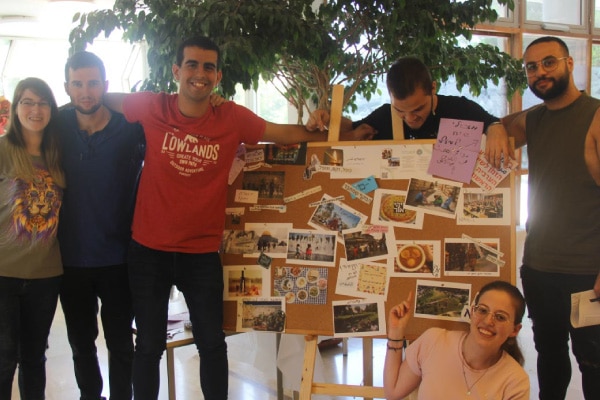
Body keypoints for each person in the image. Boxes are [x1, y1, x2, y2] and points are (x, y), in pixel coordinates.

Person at [99, 36, 369, 399]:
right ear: (176, 70)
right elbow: (103, 99)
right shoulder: (151, 106)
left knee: (212, 344)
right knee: (148, 346)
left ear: (218, 75)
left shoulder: (231, 117)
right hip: (148, 250)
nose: (200, 73)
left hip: (202, 254)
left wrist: (329, 125)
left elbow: (283, 133)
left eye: (208, 67)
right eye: (192, 65)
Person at [486, 36, 600, 400]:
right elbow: (497, 125)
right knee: (549, 355)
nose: (540, 73)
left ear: (569, 64)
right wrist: (495, 128)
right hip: (538, 267)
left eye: (548, 63)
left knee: (593, 361)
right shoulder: (534, 120)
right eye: (531, 67)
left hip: (587, 272)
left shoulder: (596, 116)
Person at [57, 51, 145, 400]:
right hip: (69, 259)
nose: (86, 92)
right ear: (67, 87)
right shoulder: (56, 126)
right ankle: (90, 395)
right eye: (77, 84)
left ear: (106, 87)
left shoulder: (130, 128)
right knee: (81, 343)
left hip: (120, 258)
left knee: (122, 341)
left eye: (93, 83)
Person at [0, 77, 66, 399]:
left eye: (42, 103)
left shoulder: (58, 155)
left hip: (45, 275)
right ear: (16, 107)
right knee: (3, 358)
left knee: (34, 358)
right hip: (3, 273)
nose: (35, 109)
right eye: (28, 102)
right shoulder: (2, 150)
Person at [384, 280, 529, 400]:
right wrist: (396, 332)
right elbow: (393, 392)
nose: (488, 321)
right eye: (483, 310)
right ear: (472, 312)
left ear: (515, 330)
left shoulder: (515, 381)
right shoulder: (433, 341)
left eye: (500, 317)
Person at [306, 56, 504, 140]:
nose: (410, 118)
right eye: (400, 110)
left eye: (418, 109)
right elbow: (352, 127)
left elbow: (493, 123)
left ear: (433, 88)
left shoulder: (460, 109)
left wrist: (495, 128)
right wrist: (327, 117)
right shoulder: (385, 115)